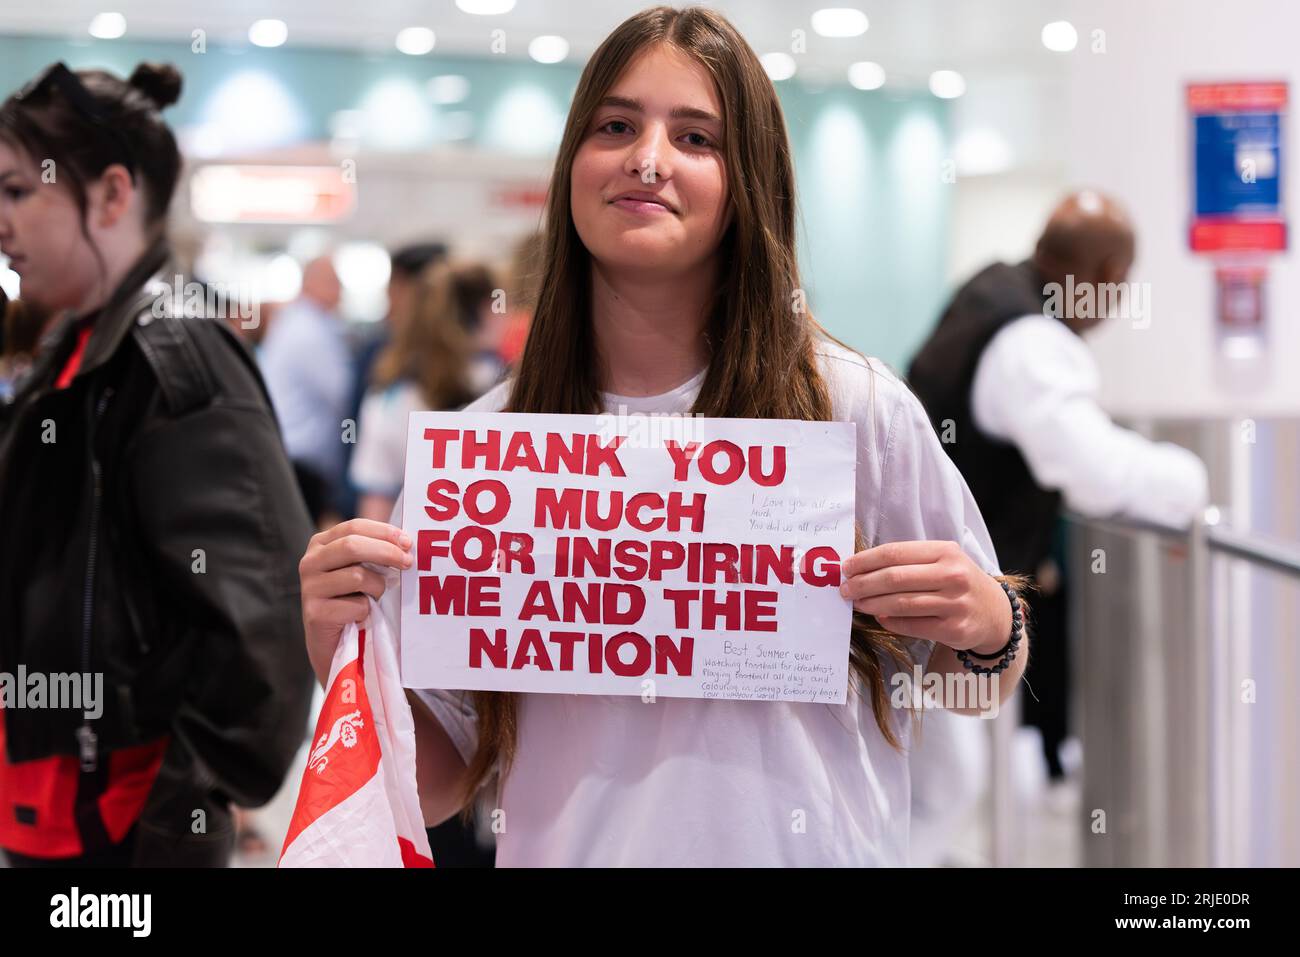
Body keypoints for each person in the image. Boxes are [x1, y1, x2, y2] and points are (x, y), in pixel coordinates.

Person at [299, 5, 1029, 867]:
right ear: (574, 159)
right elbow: (439, 783)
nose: (647, 160)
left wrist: (988, 622)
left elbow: (973, 684)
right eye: (615, 126)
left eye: (696, 138)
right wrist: (332, 646)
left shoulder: (853, 409)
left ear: (751, 180)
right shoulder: (488, 449)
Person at [0, 61, 314, 866]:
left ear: (110, 194)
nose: (0, 221)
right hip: (51, 800)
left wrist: (177, 820)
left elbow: (262, 634)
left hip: (120, 826)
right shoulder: (77, 346)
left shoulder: (174, 350)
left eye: (15, 191)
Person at [907, 190, 1208, 791]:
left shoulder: (988, 289)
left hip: (922, 592)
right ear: (1109, 276)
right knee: (941, 786)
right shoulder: (1033, 342)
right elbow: (1095, 473)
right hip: (939, 609)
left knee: (936, 783)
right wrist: (1192, 483)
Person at [350, 259, 505, 525]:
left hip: (412, 556)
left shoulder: (389, 397)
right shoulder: (502, 389)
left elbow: (375, 509)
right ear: (484, 311)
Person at [259, 255, 353, 525]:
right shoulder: (310, 330)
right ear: (313, 283)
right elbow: (342, 393)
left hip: (288, 454)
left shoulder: (296, 323)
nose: (340, 291)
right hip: (300, 462)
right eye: (334, 282)